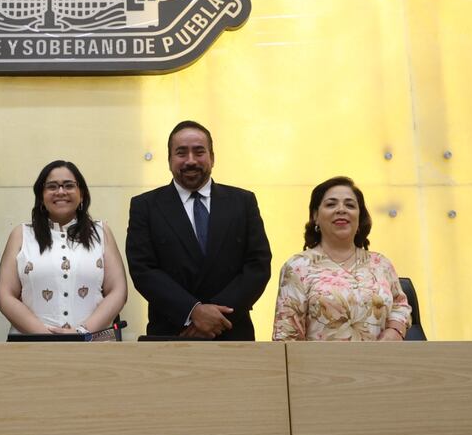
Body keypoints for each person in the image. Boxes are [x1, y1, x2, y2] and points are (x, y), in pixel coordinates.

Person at [126, 121, 272, 340]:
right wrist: (193, 311)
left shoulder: (242, 202)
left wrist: (214, 317)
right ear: (169, 160)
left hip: (231, 331)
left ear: (212, 157)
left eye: (199, 152)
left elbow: (257, 265)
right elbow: (143, 269)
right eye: (181, 153)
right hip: (173, 332)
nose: (191, 160)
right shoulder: (145, 207)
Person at [272, 176, 412, 341]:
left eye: (350, 205)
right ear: (315, 216)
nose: (341, 209)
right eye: (331, 204)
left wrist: (395, 331)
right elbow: (287, 335)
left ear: (359, 217)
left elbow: (400, 305)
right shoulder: (297, 267)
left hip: (381, 363)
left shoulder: (381, 263)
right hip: (321, 365)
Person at [0, 160, 127, 336]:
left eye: (69, 185)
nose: (60, 192)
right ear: (41, 196)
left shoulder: (101, 232)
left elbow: (118, 290)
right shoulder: (21, 234)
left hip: (93, 345)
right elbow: (4, 295)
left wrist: (82, 332)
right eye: (52, 187)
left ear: (82, 194)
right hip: (31, 345)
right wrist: (44, 335)